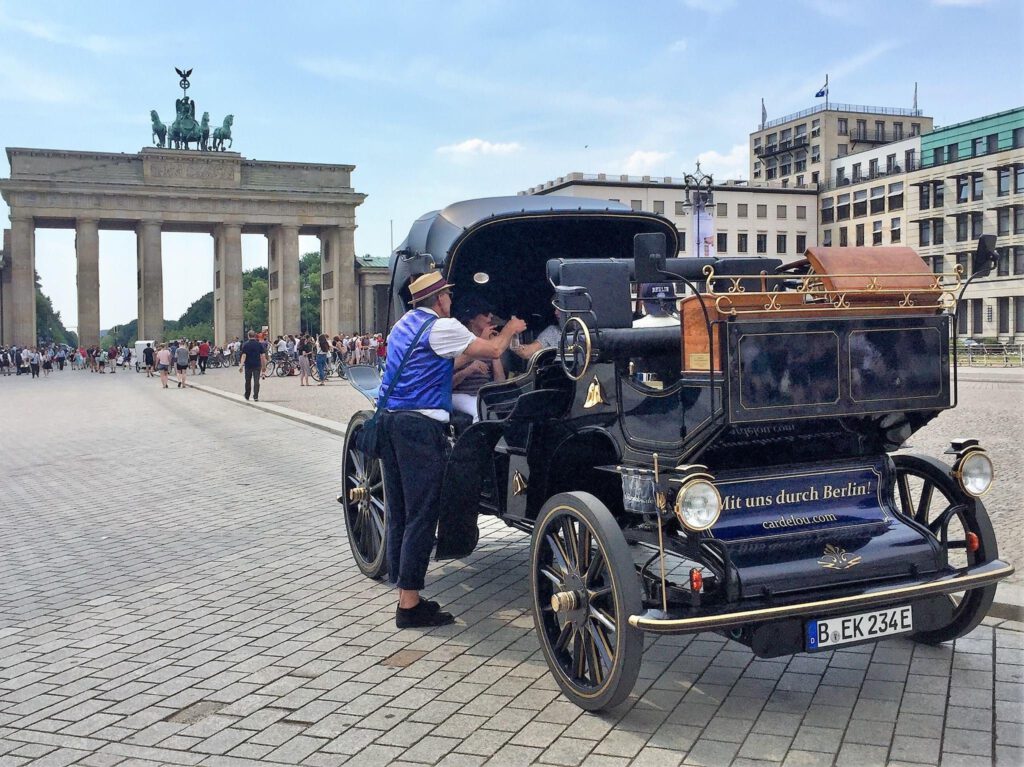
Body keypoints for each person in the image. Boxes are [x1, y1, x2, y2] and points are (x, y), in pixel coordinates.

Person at [378, 271, 525, 628]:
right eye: (447, 295)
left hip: (390, 422)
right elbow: (492, 350)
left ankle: (404, 589)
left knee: (400, 511)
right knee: (423, 513)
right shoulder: (442, 327)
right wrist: (512, 329)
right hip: (419, 426)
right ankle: (409, 606)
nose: (450, 301)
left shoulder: (403, 325)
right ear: (440, 299)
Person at [451, 296, 506, 422]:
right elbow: (447, 383)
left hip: (483, 394)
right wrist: (468, 370)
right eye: (486, 313)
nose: (490, 317)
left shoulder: (489, 340)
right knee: (479, 411)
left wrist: (493, 349)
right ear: (471, 318)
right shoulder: (458, 341)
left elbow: (500, 382)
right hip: (459, 395)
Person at [238, 330, 267, 401]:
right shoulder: (259, 344)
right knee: (256, 381)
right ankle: (256, 396)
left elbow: (244, 355)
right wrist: (264, 367)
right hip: (257, 365)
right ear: (255, 336)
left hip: (248, 365)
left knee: (248, 381)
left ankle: (247, 395)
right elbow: (263, 356)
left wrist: (241, 365)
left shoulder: (245, 344)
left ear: (248, 336)